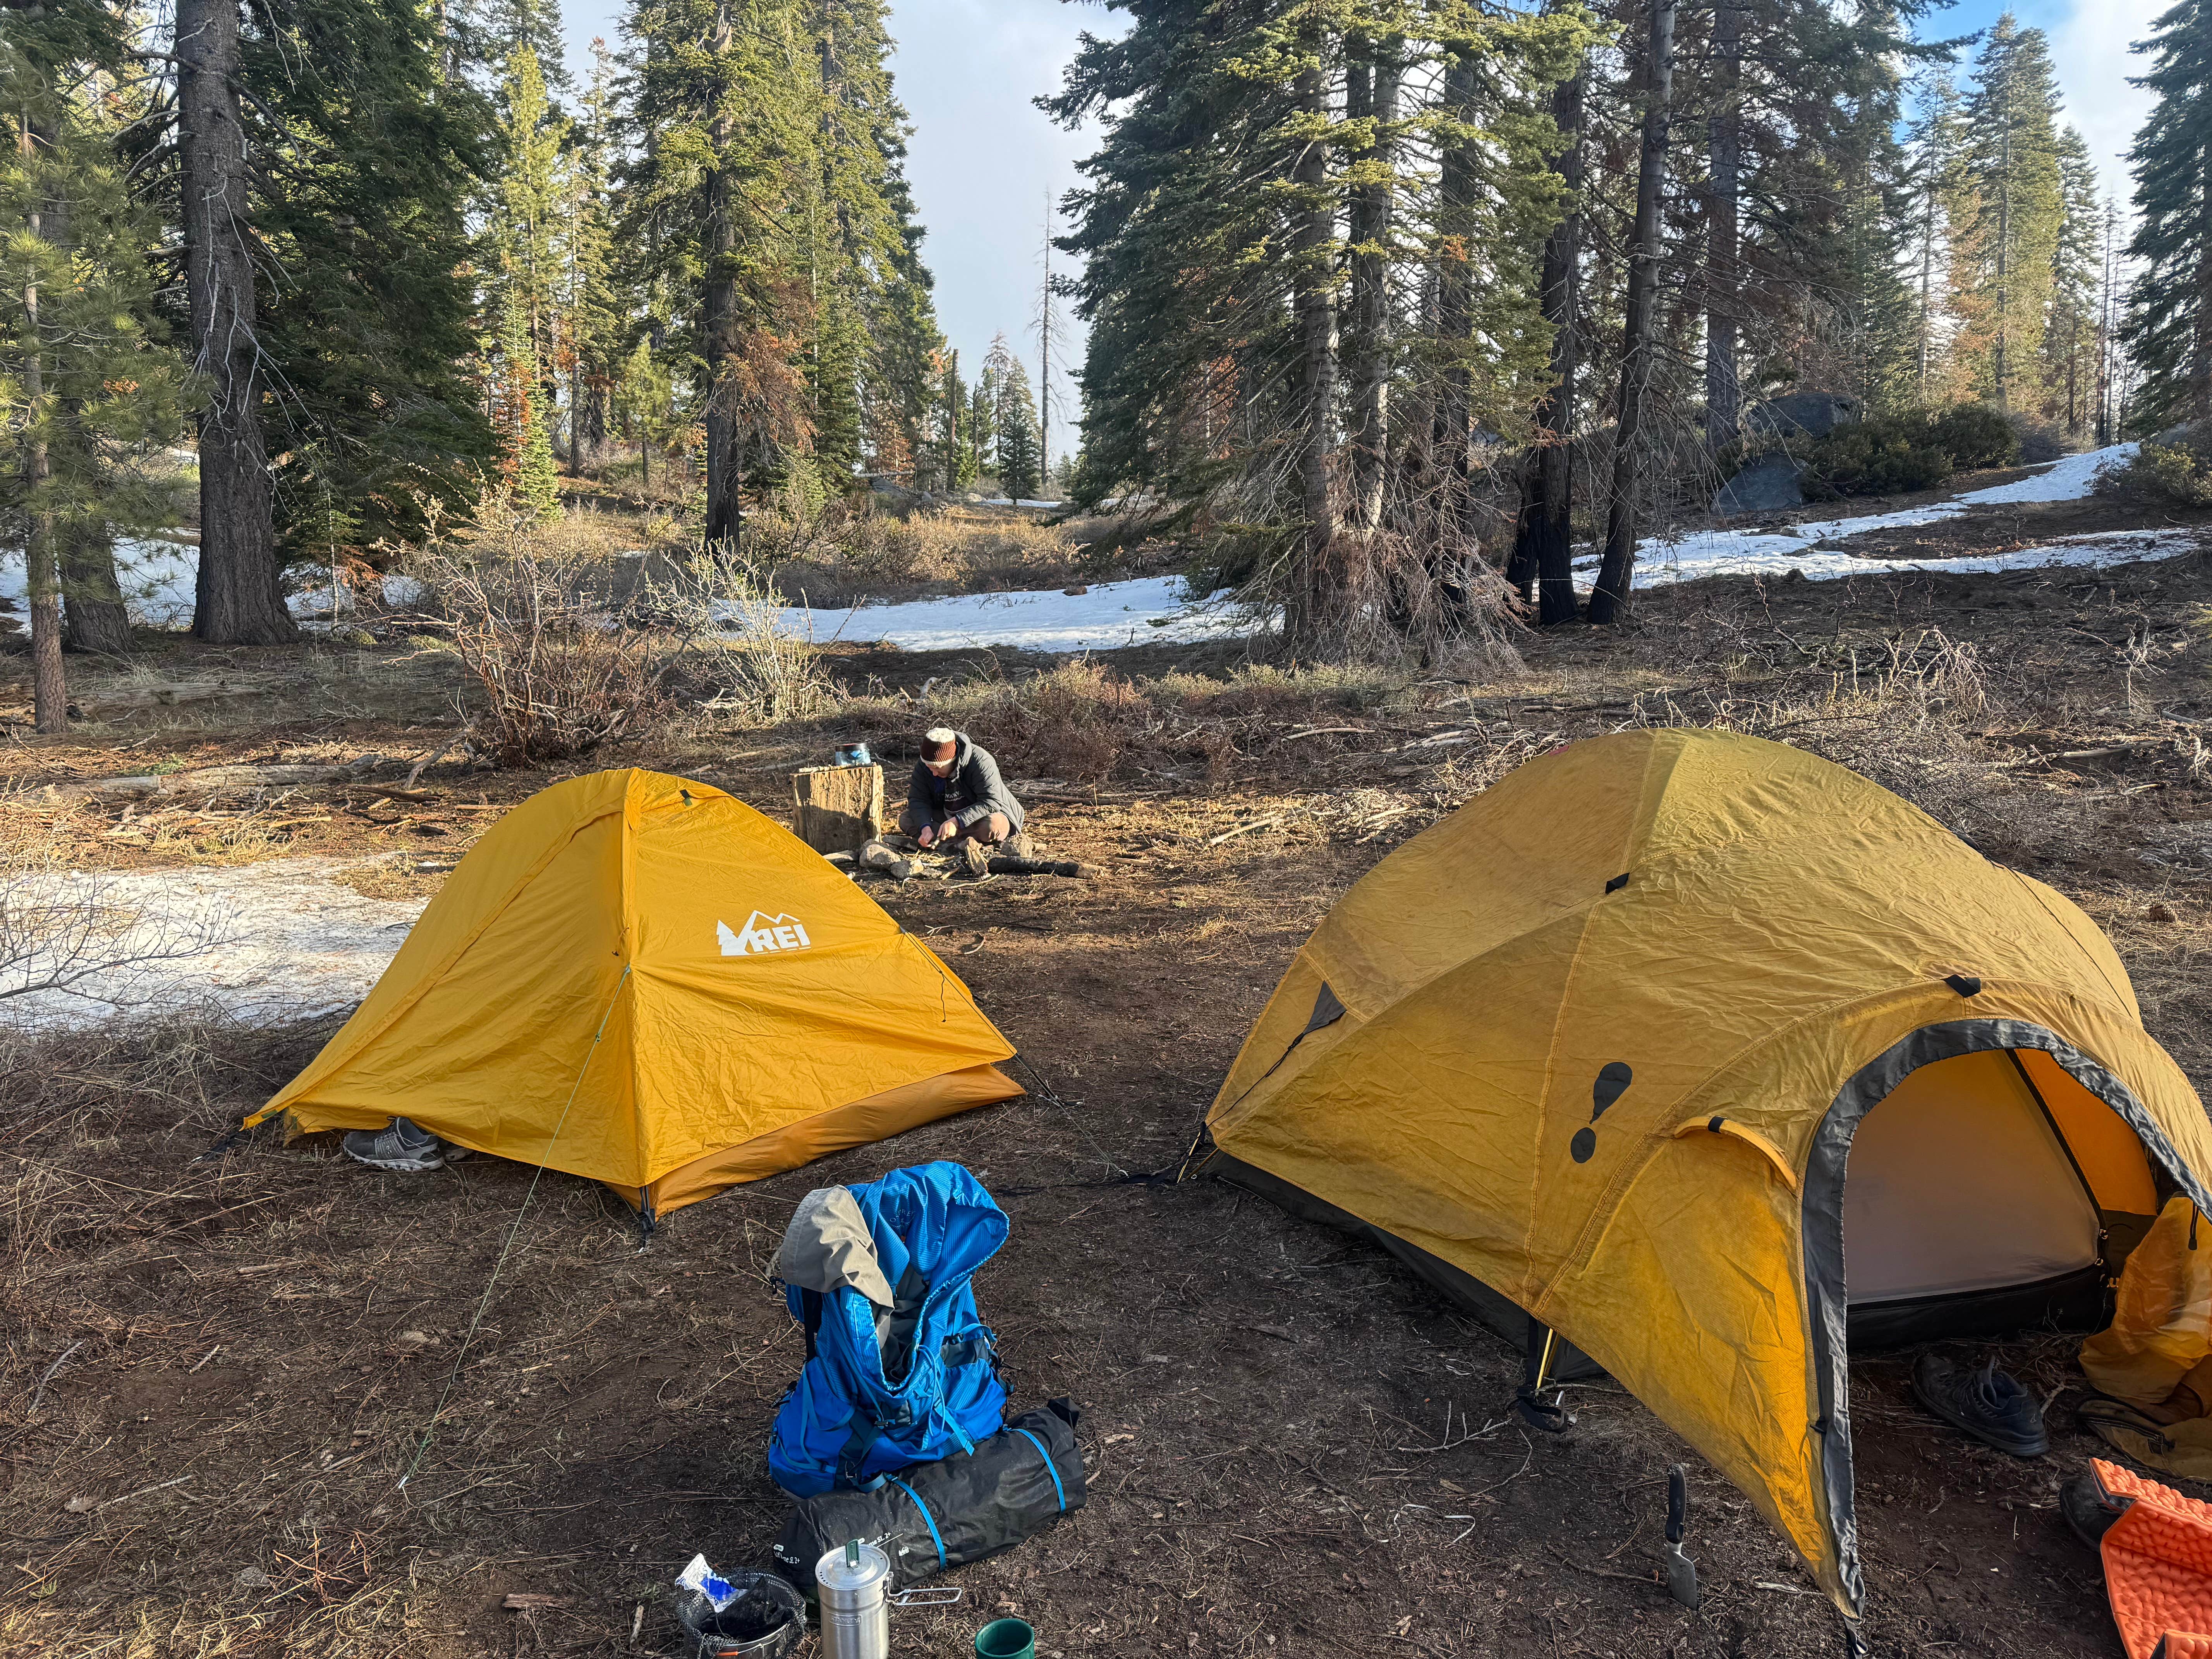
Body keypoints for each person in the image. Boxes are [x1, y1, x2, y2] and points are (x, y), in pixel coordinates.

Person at [900, 726, 1032, 870]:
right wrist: (925, 827)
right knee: (906, 819)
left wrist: (957, 822)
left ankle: (950, 844)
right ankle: (960, 844)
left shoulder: (981, 761)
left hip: (983, 818)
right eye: (930, 767)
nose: (934, 774)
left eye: (938, 769)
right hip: (946, 817)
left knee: (992, 825)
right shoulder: (925, 766)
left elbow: (991, 802)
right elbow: (918, 800)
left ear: (952, 760)